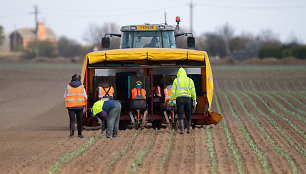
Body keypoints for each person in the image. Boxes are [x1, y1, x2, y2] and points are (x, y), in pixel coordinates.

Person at [170, 68, 196, 134]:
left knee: (180, 114)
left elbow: (173, 92)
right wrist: (194, 100)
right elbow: (193, 92)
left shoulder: (176, 80)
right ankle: (188, 129)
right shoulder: (190, 80)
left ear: (178, 74)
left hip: (179, 99)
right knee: (188, 114)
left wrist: (171, 100)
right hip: (188, 99)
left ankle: (182, 130)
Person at [64, 74, 87, 138]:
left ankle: (72, 134)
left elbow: (65, 96)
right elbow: (85, 97)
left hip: (71, 106)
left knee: (72, 120)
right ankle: (80, 134)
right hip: (80, 106)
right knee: (79, 120)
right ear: (79, 79)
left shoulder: (68, 87)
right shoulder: (82, 87)